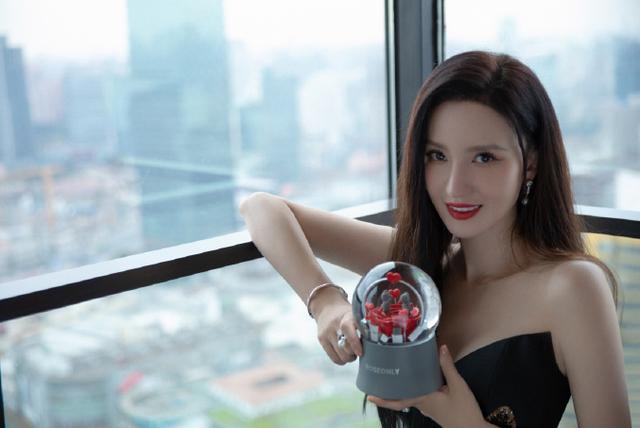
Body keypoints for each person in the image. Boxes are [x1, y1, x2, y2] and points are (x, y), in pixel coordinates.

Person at [239, 50, 631, 427]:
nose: (455, 186)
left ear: (530, 163)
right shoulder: (417, 272)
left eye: (484, 157)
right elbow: (261, 209)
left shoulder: (572, 287)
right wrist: (325, 301)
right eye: (437, 156)